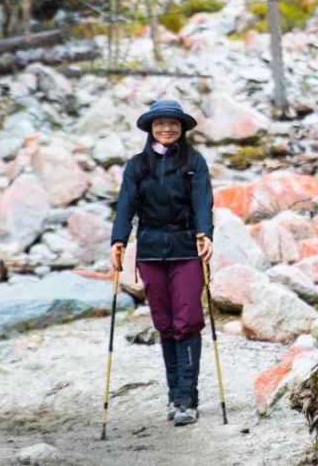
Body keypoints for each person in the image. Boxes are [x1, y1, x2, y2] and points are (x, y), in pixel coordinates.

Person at [109, 99, 214, 427]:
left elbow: (203, 201)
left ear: (182, 128)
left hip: (187, 249)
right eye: (160, 123)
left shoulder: (194, 162)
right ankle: (173, 393)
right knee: (164, 322)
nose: (166, 128)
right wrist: (118, 240)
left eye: (173, 123)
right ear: (151, 128)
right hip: (151, 251)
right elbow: (125, 205)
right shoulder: (137, 165)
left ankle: (187, 398)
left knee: (188, 320)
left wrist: (205, 233)